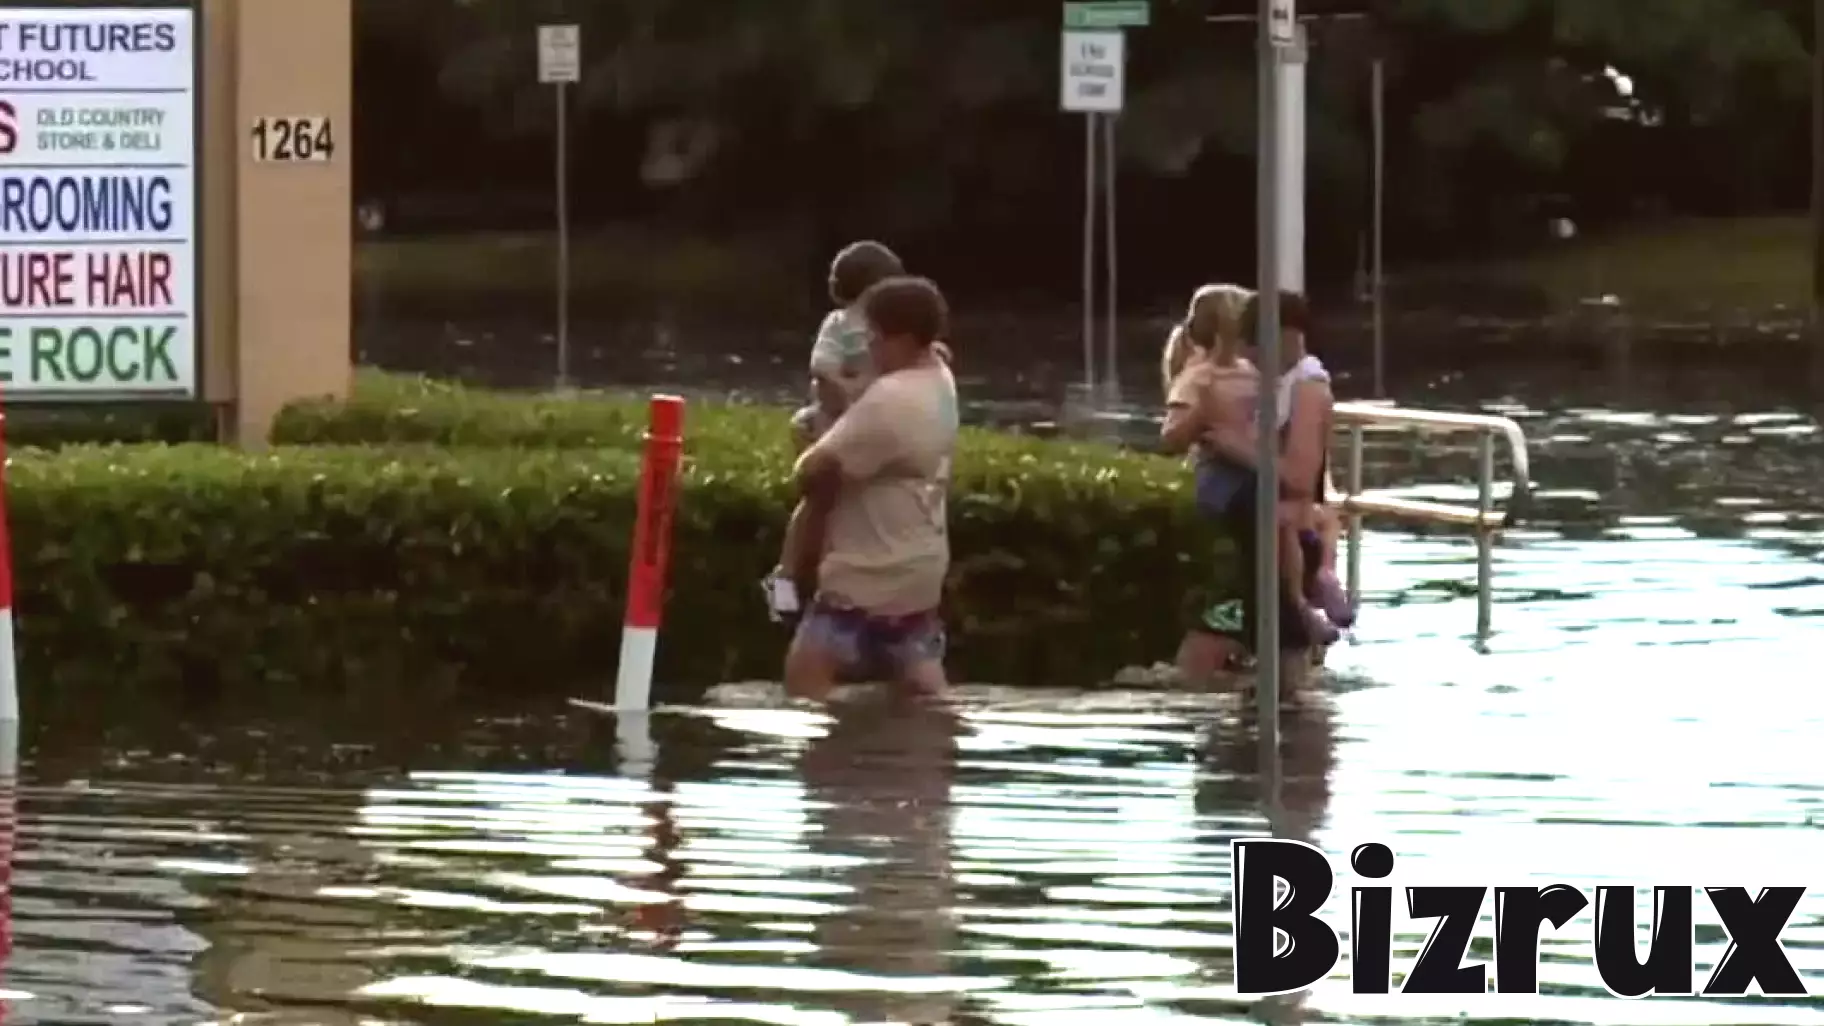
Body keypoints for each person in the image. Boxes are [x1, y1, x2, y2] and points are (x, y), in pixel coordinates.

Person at [780, 276, 959, 703]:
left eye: (875, 338)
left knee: (805, 685)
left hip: (865, 576)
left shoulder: (891, 400)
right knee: (924, 693)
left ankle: (838, 764)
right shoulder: (939, 378)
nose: (869, 347)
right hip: (918, 572)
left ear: (901, 338)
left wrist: (811, 443)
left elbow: (811, 472)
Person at [1163, 290, 1337, 701]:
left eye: (1251, 346)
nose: (1247, 359)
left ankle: (1284, 744)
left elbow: (1298, 475)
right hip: (1259, 541)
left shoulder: (1306, 390)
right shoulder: (1277, 386)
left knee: (1202, 669)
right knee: (1270, 670)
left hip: (1274, 543)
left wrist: (1232, 443)